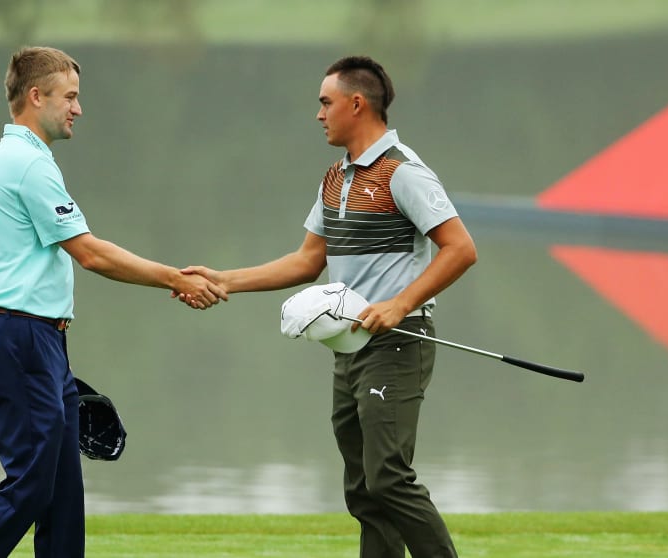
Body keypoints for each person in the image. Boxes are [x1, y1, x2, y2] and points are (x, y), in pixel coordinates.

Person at [180, 55, 476, 557]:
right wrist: (223, 279)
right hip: (350, 348)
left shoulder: (403, 172)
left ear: (356, 104)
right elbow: (306, 262)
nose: (319, 114)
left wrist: (400, 305)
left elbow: (461, 248)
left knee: (389, 479)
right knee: (363, 488)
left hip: (398, 344)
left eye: (326, 102)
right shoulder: (335, 179)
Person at [0, 46, 226, 558]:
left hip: (36, 341)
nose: (78, 108)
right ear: (36, 96)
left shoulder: (5, 159)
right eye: (70, 97)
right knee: (31, 488)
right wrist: (174, 277)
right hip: (21, 339)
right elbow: (91, 254)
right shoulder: (27, 165)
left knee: (62, 498)